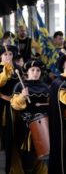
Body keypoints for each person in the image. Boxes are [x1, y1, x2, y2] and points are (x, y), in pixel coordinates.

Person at [10, 60, 49, 174]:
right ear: (27, 72)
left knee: (41, 156)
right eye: (32, 70)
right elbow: (15, 105)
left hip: (43, 127)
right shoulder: (20, 85)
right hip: (26, 128)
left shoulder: (46, 87)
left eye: (38, 70)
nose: (35, 72)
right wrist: (22, 96)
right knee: (26, 157)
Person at [0, 45, 23, 173]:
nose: (8, 57)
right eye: (5, 54)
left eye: (10, 54)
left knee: (12, 138)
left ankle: (11, 167)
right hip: (1, 107)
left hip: (16, 108)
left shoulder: (18, 69)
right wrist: (6, 71)